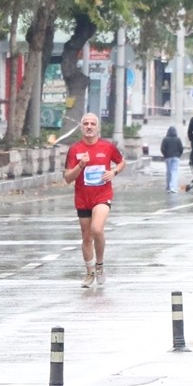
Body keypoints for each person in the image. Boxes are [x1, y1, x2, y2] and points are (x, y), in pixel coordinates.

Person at [64, 112, 125, 287]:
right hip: (83, 198)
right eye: (85, 124)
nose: (89, 126)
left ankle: (99, 265)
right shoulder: (75, 149)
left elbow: (122, 162)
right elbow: (68, 177)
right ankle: (89, 271)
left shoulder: (107, 147)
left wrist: (113, 172)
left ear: (97, 127)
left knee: (97, 229)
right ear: (81, 127)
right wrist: (80, 165)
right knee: (86, 236)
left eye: (92, 124)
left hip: (102, 196)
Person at [160, 125, 184, 193]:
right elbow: (181, 148)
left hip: (168, 157)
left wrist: (165, 155)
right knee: (174, 172)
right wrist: (179, 155)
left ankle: (168, 186)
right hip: (176, 157)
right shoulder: (178, 139)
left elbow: (162, 149)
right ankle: (173, 187)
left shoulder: (165, 139)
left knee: (168, 172)